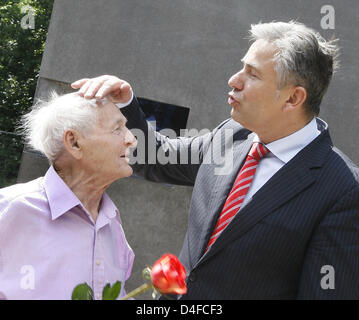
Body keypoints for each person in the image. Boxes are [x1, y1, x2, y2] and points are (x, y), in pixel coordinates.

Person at [72, 21, 359, 299]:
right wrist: (125, 103)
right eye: (241, 67)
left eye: (252, 74)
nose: (234, 80)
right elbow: (156, 158)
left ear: (293, 98)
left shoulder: (344, 190)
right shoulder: (232, 135)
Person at [0, 92, 137, 299]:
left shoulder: (112, 224)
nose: (132, 139)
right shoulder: (10, 209)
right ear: (74, 142)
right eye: (117, 128)